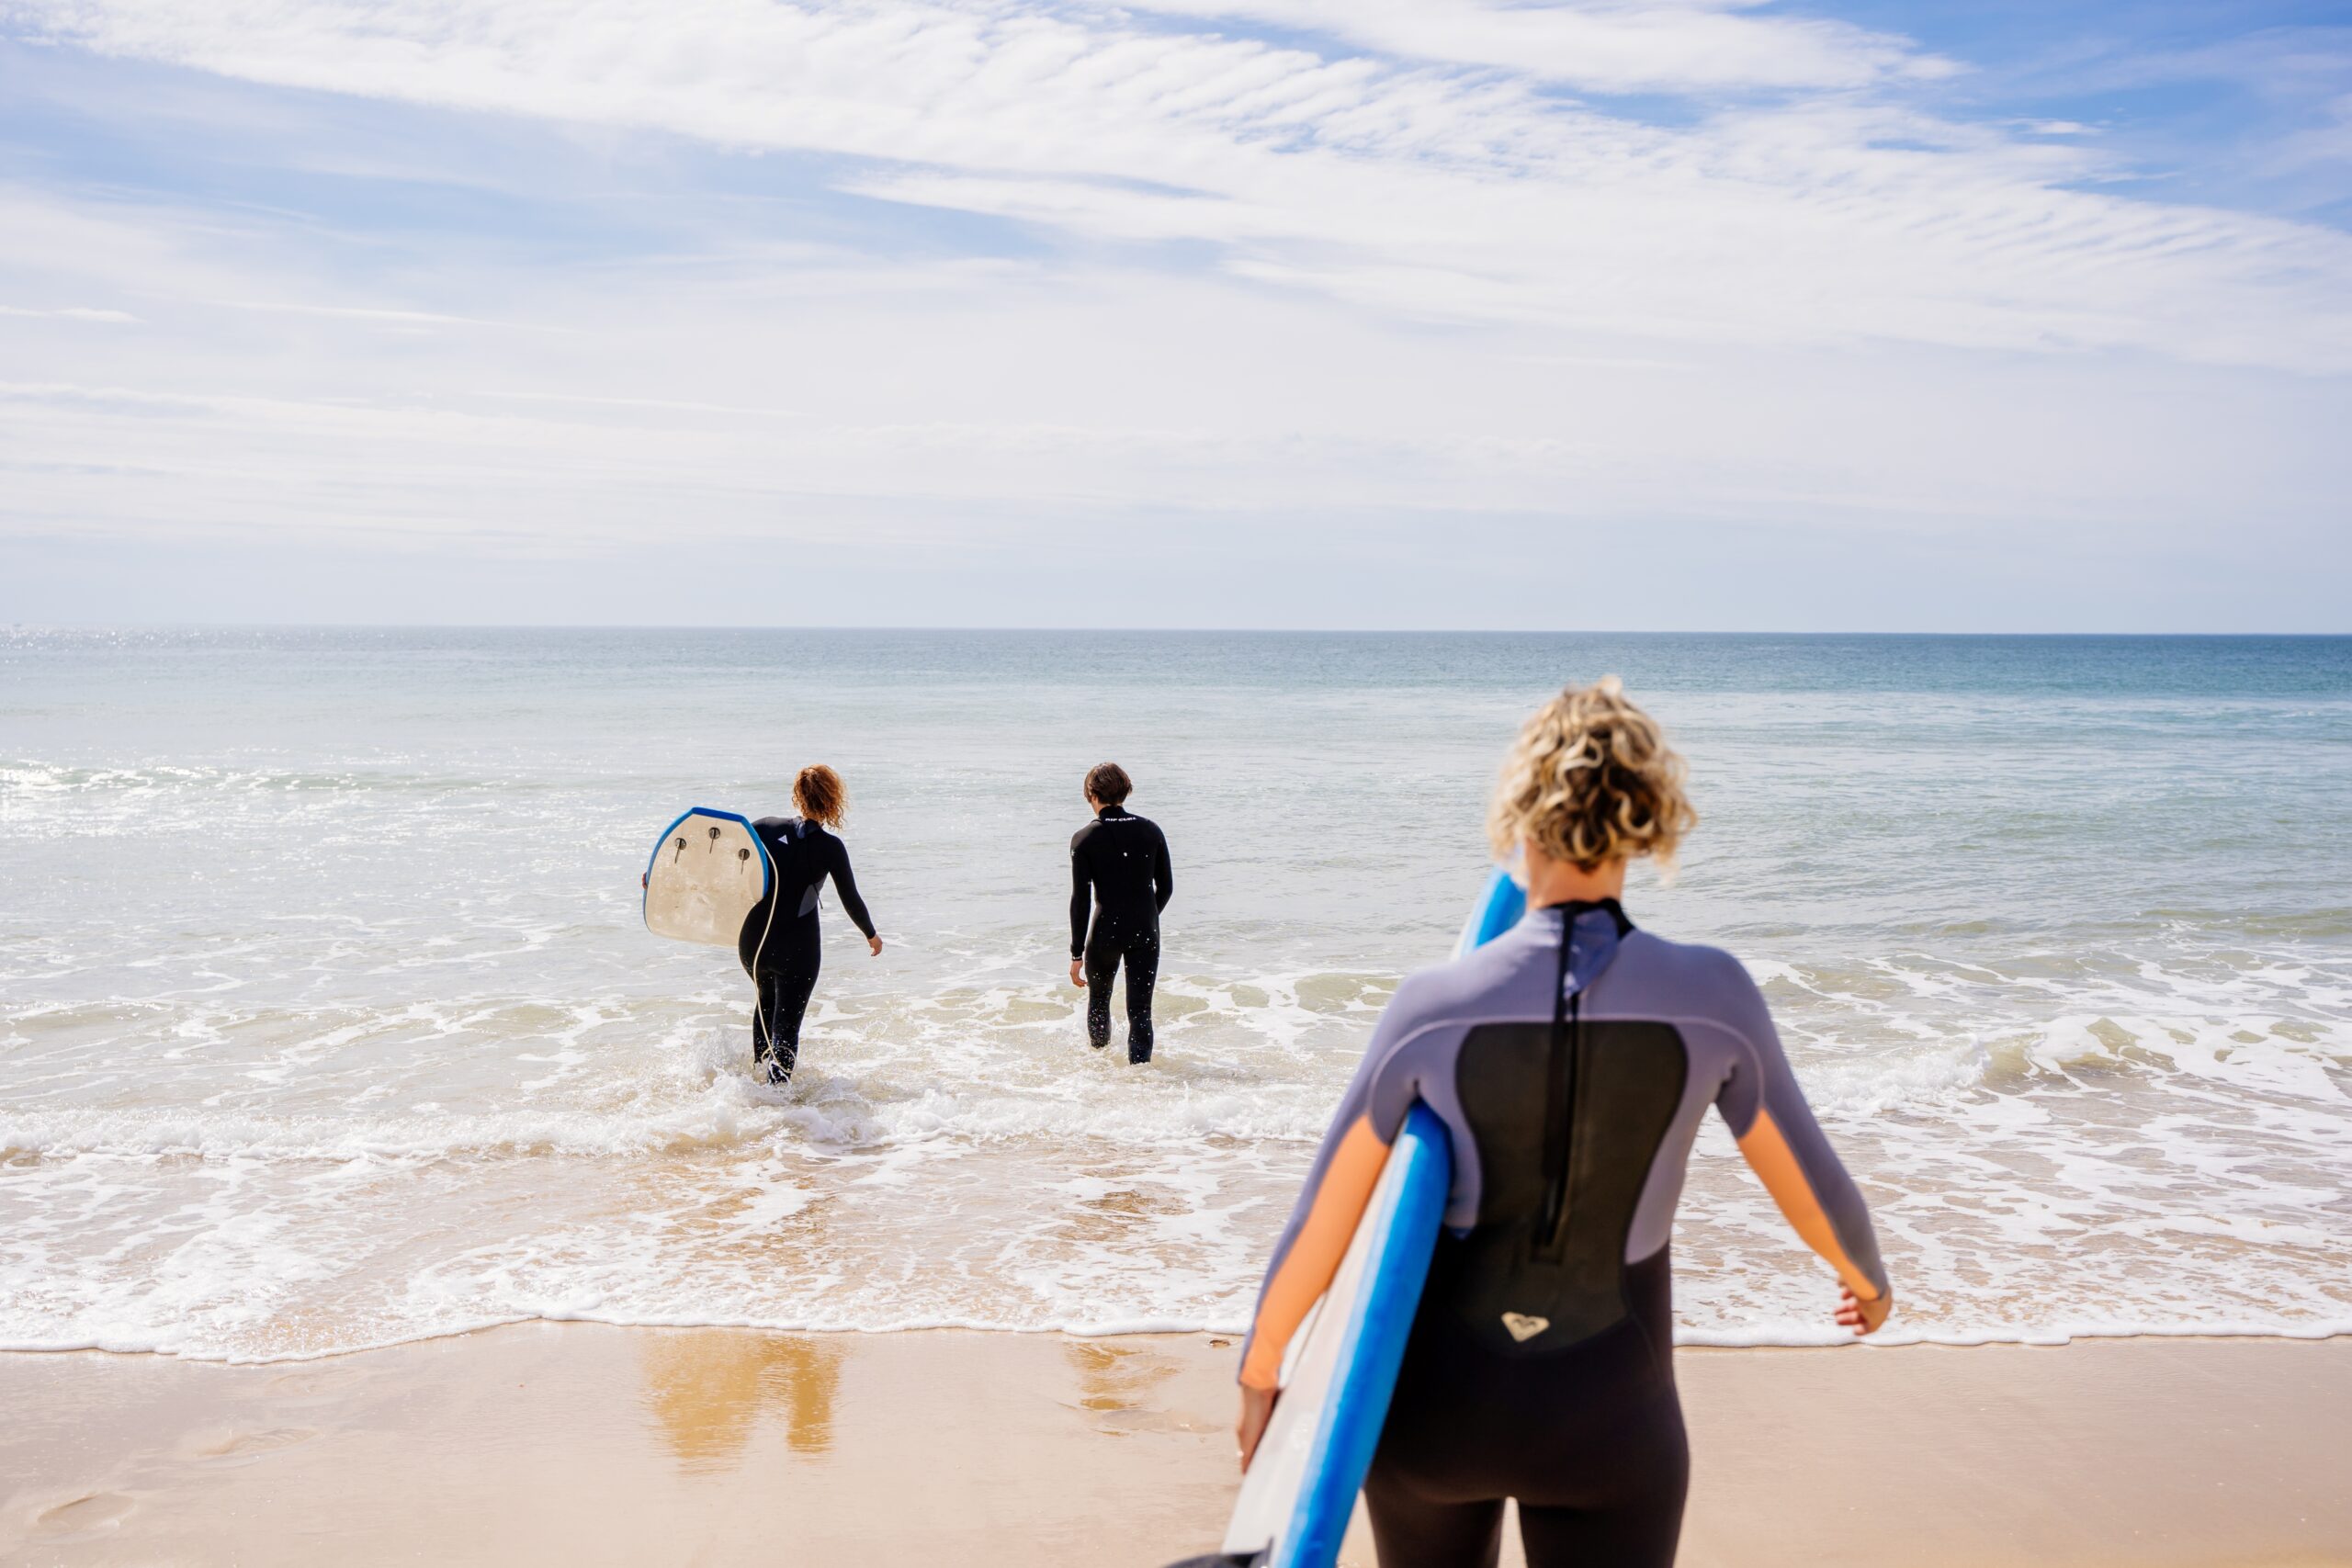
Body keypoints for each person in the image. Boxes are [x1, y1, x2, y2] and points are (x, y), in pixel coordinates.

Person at [1232, 677, 1892, 1568]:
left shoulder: (1432, 1006)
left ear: (1518, 811)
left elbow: (1326, 1219)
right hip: (1610, 1429)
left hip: (1432, 1421)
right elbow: (1813, 1189)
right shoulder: (1713, 997)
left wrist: (1262, 1369)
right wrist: (1866, 1280)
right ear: (1648, 815)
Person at [737, 764, 880, 1084]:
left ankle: (753, 1091)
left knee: (765, 1002)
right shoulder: (830, 847)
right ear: (832, 800)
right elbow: (851, 899)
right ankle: (779, 1102)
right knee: (786, 1025)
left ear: (797, 795)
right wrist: (871, 934)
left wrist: (661, 879)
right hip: (797, 950)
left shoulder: (762, 828)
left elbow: (716, 863)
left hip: (753, 945)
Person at [1068, 761, 1173, 1064]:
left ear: (1091, 794)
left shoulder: (1084, 839)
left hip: (1105, 933)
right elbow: (1165, 887)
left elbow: (1081, 901)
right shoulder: (1151, 830)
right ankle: (1141, 1078)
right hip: (1144, 931)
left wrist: (1076, 954)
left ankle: (1100, 1071)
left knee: (1099, 1001)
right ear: (1125, 791)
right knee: (1141, 1010)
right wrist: (1147, 918)